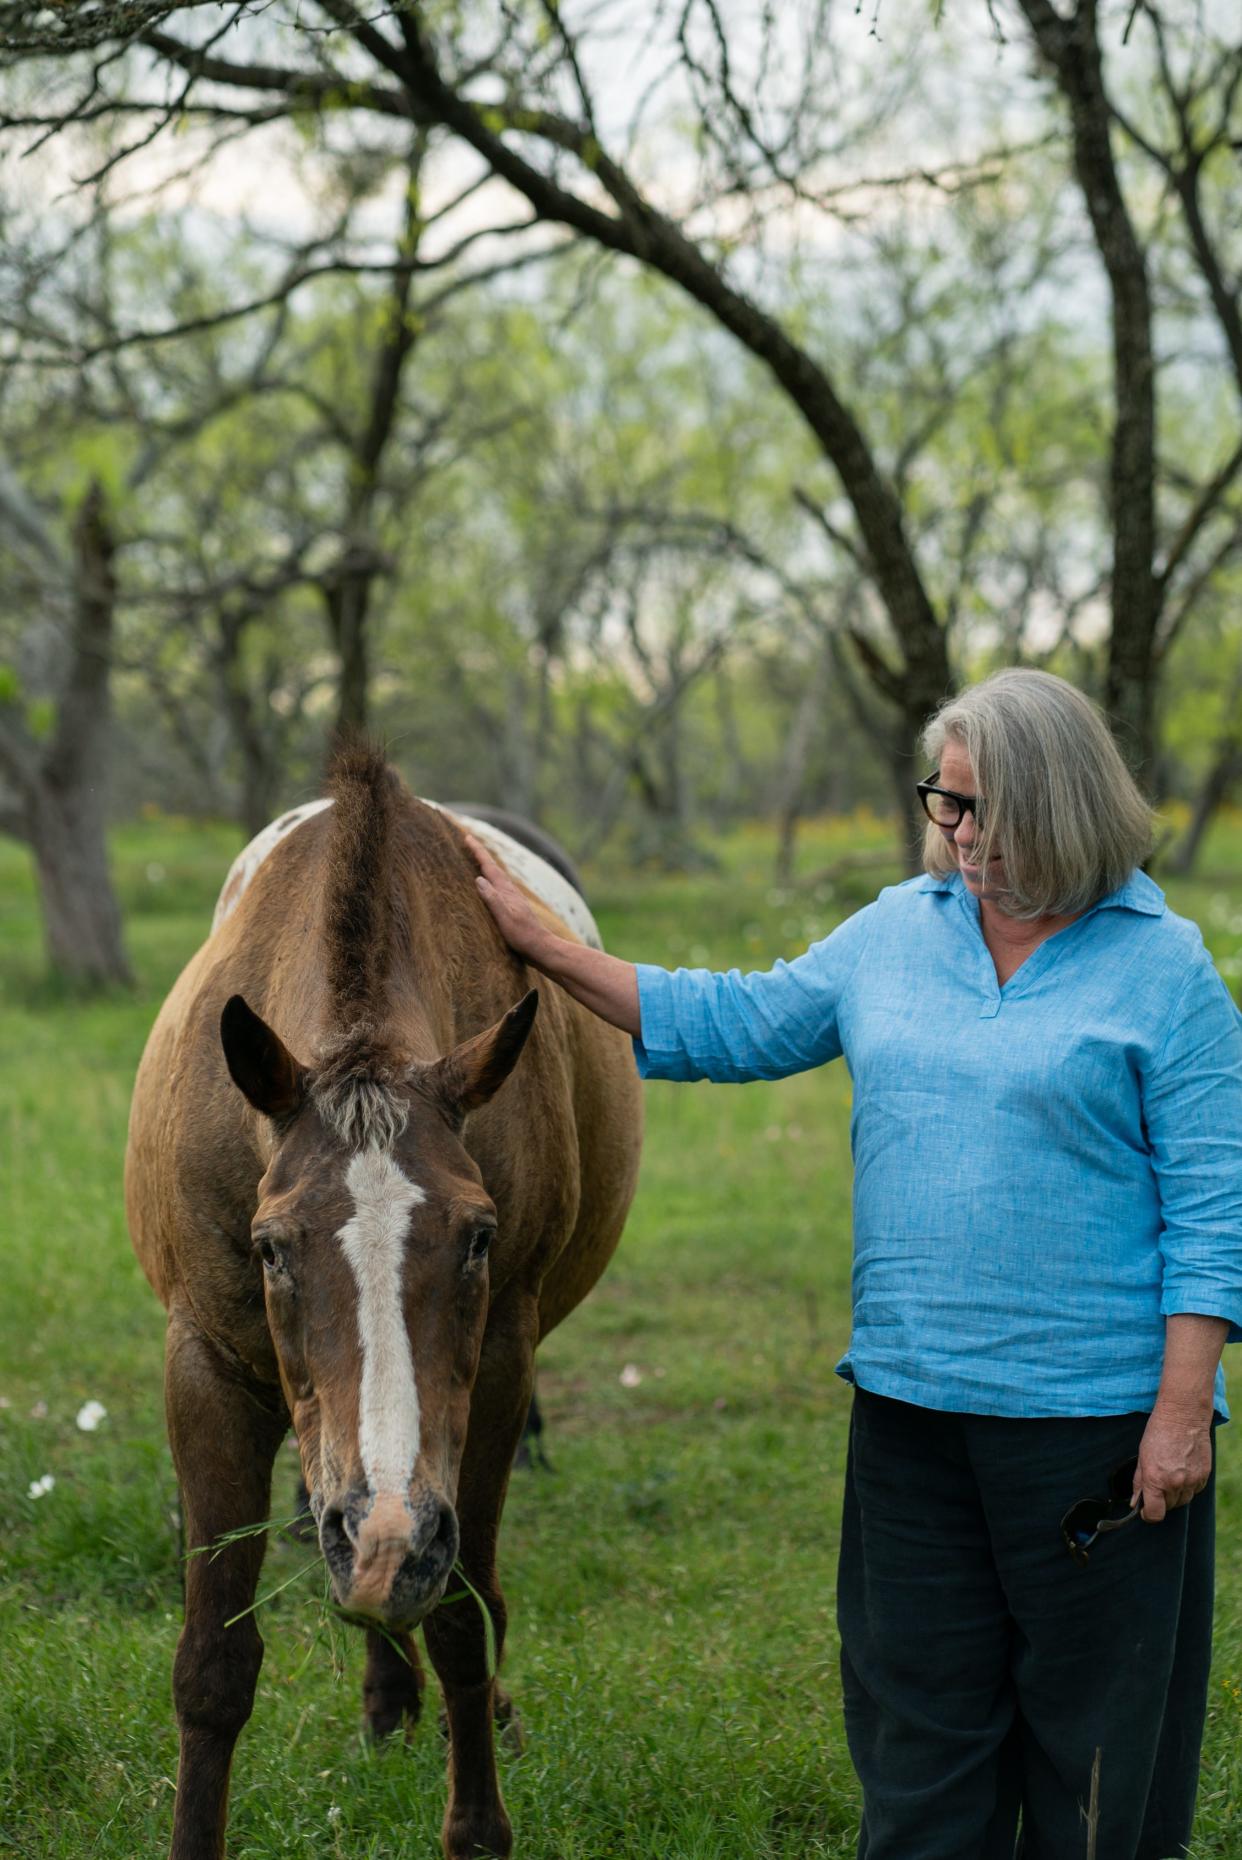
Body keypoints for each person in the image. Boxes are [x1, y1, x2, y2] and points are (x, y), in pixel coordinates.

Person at [465, 667, 1242, 1860]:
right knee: (919, 1734)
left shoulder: (1164, 968)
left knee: (1097, 1759)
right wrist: (546, 944)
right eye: (947, 802)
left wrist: (1182, 1414)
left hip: (1092, 1429)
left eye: (986, 807)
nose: (961, 832)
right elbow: (736, 1019)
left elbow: (1214, 1209)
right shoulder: (896, 933)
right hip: (911, 1415)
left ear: (1067, 802)